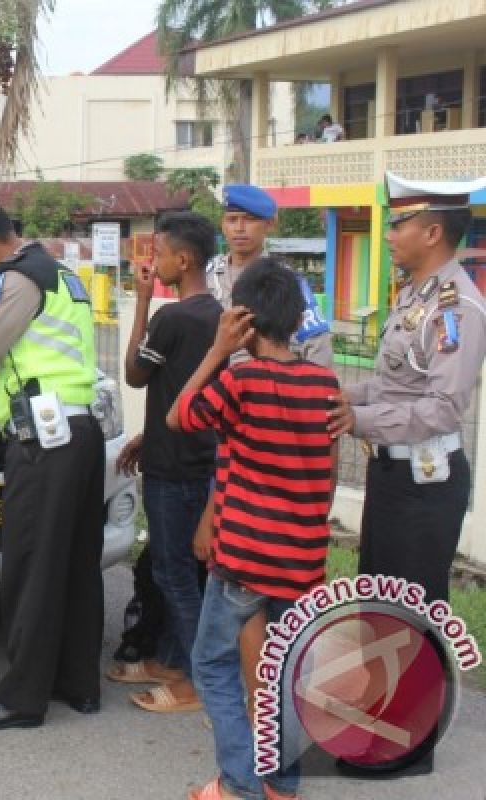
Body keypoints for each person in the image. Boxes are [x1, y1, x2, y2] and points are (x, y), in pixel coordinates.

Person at [0, 185, 105, 730]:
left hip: (42, 439)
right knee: (77, 565)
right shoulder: (62, 275)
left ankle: (21, 699)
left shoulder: (17, 276)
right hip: (81, 430)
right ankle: (79, 684)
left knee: (29, 565)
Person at [169, 258, 340, 800]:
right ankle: (282, 784)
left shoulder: (241, 378)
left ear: (241, 318)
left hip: (243, 562)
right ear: (295, 318)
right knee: (285, 672)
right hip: (302, 561)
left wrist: (218, 351)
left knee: (213, 667)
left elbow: (180, 416)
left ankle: (239, 783)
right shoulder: (324, 383)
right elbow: (330, 473)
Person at [198, 183, 335, 720]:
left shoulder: (288, 286)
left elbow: (319, 363)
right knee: (222, 565)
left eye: (249, 221)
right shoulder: (208, 277)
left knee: (253, 578)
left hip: (268, 433)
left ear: (268, 227)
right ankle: (246, 701)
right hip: (218, 423)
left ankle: (262, 704)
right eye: (230, 219)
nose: (238, 229)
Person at [330, 173, 486, 605]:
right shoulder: (413, 296)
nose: (389, 236)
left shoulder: (455, 309)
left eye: (399, 225)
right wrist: (349, 397)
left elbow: (442, 409)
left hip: (425, 486)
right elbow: (395, 384)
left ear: (433, 233)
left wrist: (358, 419)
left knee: (411, 624)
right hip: (391, 476)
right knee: (377, 608)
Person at [118, 212, 223, 714]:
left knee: (174, 573)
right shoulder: (215, 316)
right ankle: (179, 662)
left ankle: (196, 681)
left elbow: (136, 374)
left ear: (185, 260)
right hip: (200, 460)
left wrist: (140, 301)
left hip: (173, 469)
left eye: (160, 254)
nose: (153, 262)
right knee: (184, 571)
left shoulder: (173, 318)